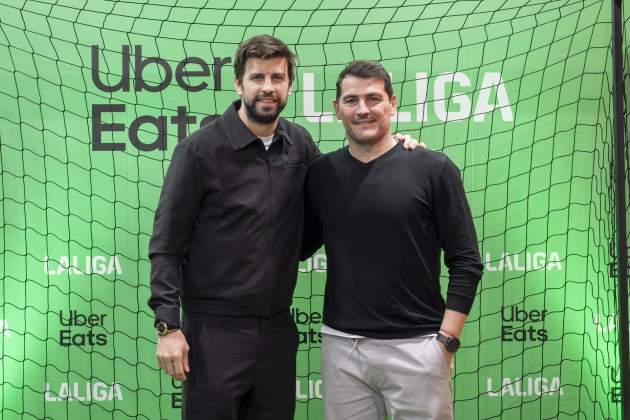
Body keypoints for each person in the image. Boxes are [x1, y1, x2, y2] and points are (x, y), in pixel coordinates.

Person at [148, 35, 419, 420]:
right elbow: (166, 245)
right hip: (212, 333)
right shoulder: (198, 151)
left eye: (278, 77)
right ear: (239, 84)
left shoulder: (299, 143)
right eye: (257, 77)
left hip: (277, 332)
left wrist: (397, 153)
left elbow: (342, 185)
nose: (268, 87)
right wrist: (168, 327)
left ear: (290, 84)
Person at [302, 60, 483, 420]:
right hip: (342, 348)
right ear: (336, 109)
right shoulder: (321, 174)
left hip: (418, 346)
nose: (363, 109)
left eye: (373, 98)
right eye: (351, 100)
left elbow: (466, 260)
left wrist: (445, 341)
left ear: (392, 103)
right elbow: (296, 246)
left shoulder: (433, 168)